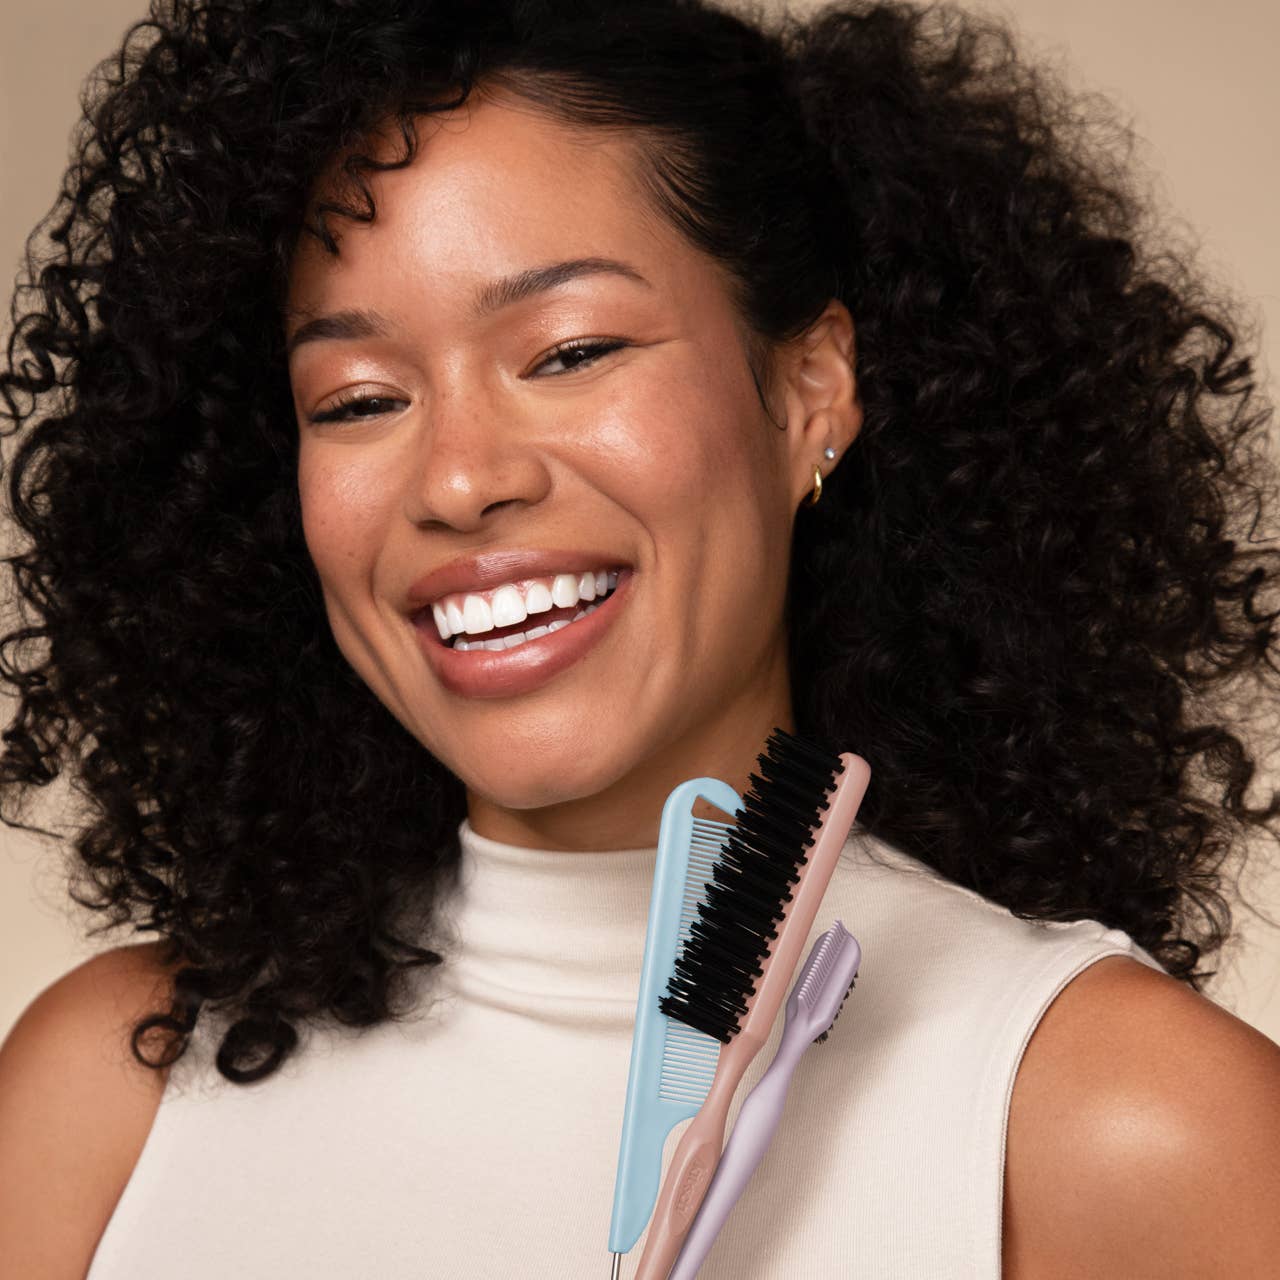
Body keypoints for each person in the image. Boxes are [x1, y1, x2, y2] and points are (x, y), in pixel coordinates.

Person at [1, 0, 1278, 1275]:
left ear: (809, 391)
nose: (459, 479)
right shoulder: (111, 1093)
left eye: (570, 351)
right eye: (358, 399)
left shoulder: (1120, 1124)